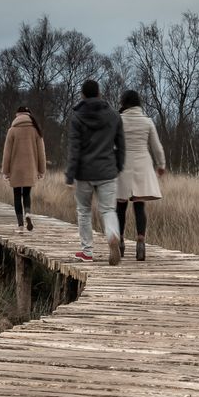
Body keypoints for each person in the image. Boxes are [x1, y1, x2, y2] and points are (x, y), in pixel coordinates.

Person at [63, 79, 125, 264]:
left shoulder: (77, 117)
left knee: (84, 211)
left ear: (82, 95)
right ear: (99, 93)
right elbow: (121, 145)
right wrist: (119, 166)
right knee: (108, 210)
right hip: (107, 171)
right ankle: (113, 235)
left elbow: (74, 148)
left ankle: (87, 251)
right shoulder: (114, 116)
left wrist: (70, 175)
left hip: (84, 173)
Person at [114, 89, 167, 262]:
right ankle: (141, 241)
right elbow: (156, 146)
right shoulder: (147, 121)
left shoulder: (118, 121)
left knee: (120, 207)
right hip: (143, 164)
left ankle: (120, 241)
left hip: (122, 164)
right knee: (139, 206)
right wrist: (161, 165)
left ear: (124, 103)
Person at [0, 106, 48, 232]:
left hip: (16, 169)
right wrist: (41, 170)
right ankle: (28, 213)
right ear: (29, 115)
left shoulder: (12, 130)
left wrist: (5, 171)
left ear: (17, 115)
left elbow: (7, 153)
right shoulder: (36, 130)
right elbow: (41, 153)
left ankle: (20, 226)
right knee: (26, 193)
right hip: (30, 169)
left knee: (16, 196)